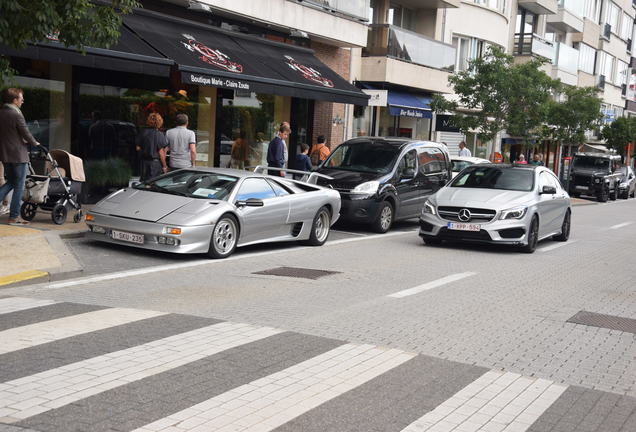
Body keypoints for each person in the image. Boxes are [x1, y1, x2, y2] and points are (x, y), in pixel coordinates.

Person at [0, 88, 40, 225]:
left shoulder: (1, 113)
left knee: (11, 182)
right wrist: (34, 142)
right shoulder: (16, 114)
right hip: (18, 156)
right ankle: (14, 217)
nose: (23, 100)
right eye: (21, 98)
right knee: (19, 186)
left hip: (5, 155)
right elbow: (25, 132)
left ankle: (14, 215)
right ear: (14, 100)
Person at [136, 113, 169, 181]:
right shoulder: (159, 134)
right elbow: (161, 153)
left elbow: (138, 148)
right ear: (160, 122)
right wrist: (165, 166)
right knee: (153, 184)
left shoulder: (142, 132)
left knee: (144, 184)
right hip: (155, 164)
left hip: (143, 163)